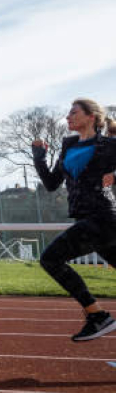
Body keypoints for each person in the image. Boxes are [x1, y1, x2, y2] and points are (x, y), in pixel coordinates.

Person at [32, 98, 116, 340]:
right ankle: (97, 317)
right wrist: (39, 158)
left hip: (102, 217)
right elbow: (51, 184)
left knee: (50, 259)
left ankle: (97, 316)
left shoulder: (109, 145)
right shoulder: (68, 146)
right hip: (89, 219)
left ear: (91, 117)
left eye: (74, 112)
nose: (68, 117)